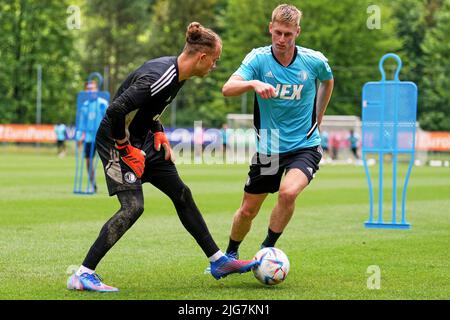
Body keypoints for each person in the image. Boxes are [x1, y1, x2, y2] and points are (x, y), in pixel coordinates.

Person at [67, 22, 257, 292]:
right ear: (202, 57)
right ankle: (83, 274)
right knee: (133, 207)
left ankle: (218, 261)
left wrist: (159, 132)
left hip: (142, 139)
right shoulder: (161, 75)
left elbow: (150, 108)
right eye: (214, 61)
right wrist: (125, 148)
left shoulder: (179, 74)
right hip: (114, 141)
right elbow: (115, 110)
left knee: (181, 193)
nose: (214, 66)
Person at [218, 4, 334, 261]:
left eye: (288, 34)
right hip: (269, 147)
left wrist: (319, 116)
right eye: (278, 32)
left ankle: (266, 250)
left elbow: (328, 80)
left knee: (288, 192)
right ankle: (230, 254)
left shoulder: (314, 61)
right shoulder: (258, 59)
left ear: (297, 33)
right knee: (248, 211)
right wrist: (253, 83)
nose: (282, 39)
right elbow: (227, 88)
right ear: (270, 28)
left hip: (305, 145)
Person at [75, 81, 108, 192]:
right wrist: (79, 136)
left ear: (97, 90)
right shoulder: (85, 105)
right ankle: (93, 185)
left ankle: (115, 185)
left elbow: (109, 119)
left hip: (102, 137)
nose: (90, 91)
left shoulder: (103, 103)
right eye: (88, 89)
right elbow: (82, 123)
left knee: (109, 162)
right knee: (88, 162)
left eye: (92, 88)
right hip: (89, 137)